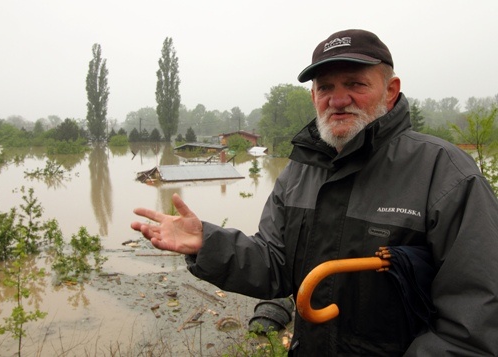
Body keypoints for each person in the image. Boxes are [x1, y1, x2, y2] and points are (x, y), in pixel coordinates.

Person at [131, 29, 498, 356]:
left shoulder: (444, 173)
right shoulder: (299, 171)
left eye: (355, 84)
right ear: (313, 97)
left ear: (390, 90)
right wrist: (207, 243)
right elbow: (275, 265)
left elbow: (474, 320)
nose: (338, 100)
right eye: (325, 88)